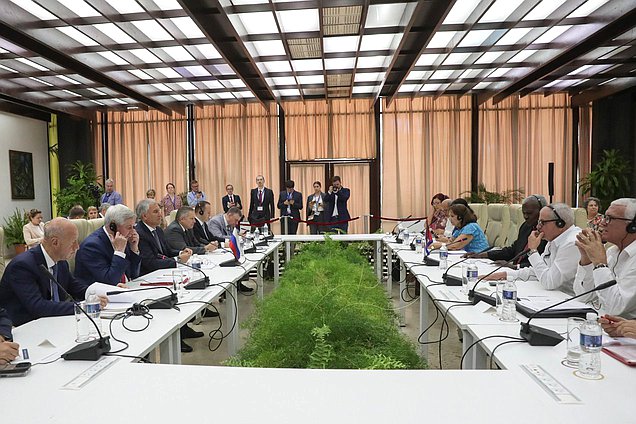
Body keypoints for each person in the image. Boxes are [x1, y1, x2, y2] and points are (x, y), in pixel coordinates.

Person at [0, 218, 108, 326]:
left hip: (53, 321)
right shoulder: (22, 266)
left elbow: (74, 286)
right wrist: (84, 306)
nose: (77, 247)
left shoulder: (60, 261)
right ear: (55, 242)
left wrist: (99, 294)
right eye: (73, 242)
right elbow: (38, 307)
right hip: (24, 327)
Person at [134, 200, 210, 352]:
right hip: (147, 277)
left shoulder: (158, 230)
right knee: (177, 291)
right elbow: (149, 262)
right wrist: (176, 260)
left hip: (162, 272)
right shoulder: (140, 233)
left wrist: (180, 253)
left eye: (159, 211)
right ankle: (176, 337)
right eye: (155, 212)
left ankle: (184, 328)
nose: (160, 214)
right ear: (144, 216)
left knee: (185, 288)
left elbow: (167, 252)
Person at [485, 203, 581, 295]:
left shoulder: (572, 243)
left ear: (560, 224)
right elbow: (537, 272)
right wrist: (506, 275)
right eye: (539, 222)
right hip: (555, 296)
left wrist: (533, 250)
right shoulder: (554, 239)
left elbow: (549, 282)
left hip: (570, 300)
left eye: (543, 222)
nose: (538, 227)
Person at [574, 198, 636, 318]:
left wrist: (600, 264)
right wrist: (586, 259)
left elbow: (616, 307)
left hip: (624, 333)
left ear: (632, 226)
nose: (601, 223)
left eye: (609, 219)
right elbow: (583, 296)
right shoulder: (612, 252)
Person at [465, 195, 547, 268]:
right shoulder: (526, 227)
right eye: (524, 213)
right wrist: (481, 255)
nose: (525, 217)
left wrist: (514, 266)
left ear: (542, 211)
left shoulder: (548, 234)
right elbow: (512, 251)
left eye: (529, 213)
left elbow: (545, 263)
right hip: (515, 273)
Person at [74, 204, 142, 286]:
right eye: (129, 227)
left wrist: (134, 248)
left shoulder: (122, 238)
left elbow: (134, 274)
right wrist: (119, 252)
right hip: (99, 296)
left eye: (133, 227)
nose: (133, 232)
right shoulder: (91, 246)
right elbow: (110, 281)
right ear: (113, 226)